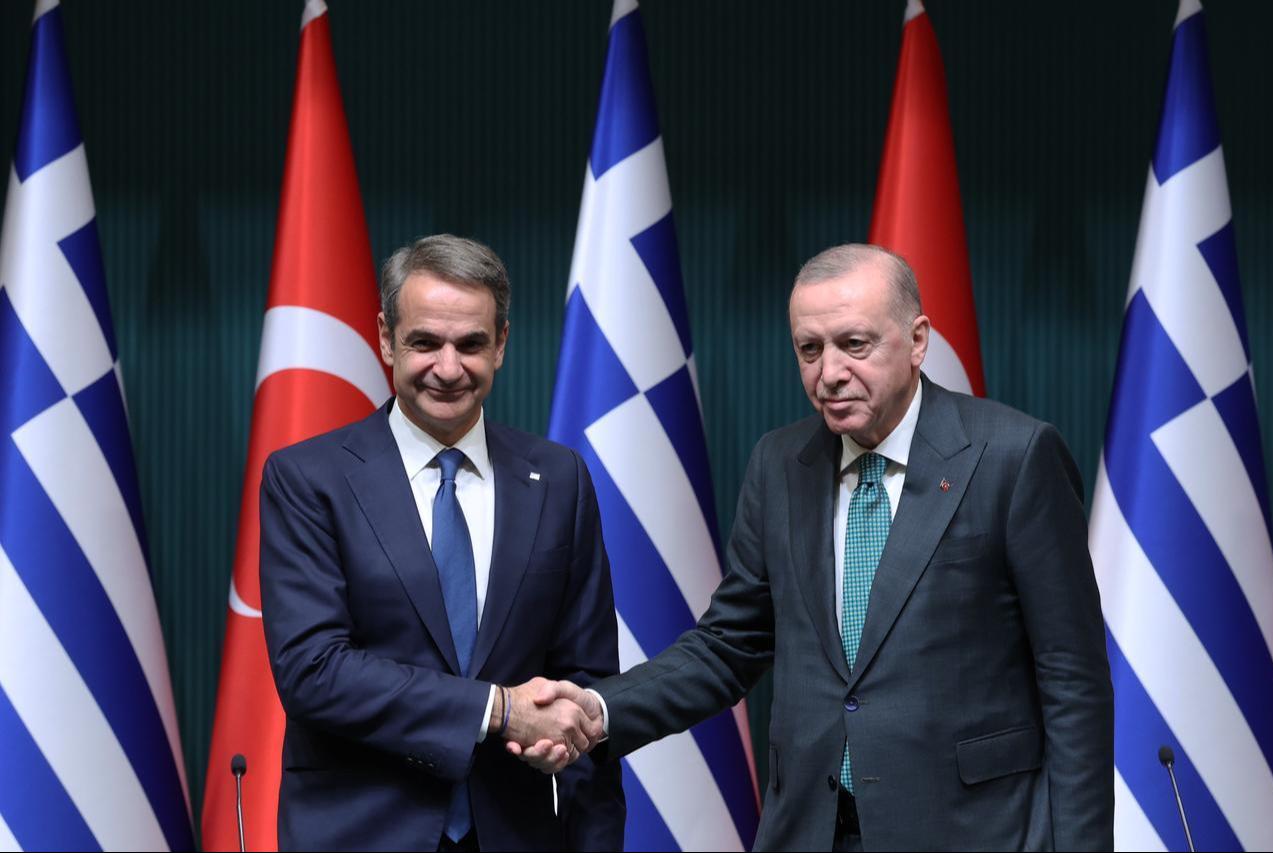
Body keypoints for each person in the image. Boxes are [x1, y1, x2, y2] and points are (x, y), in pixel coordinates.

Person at [515, 244, 1113, 851]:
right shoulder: (780, 464)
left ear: (917, 341)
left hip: (973, 832)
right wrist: (596, 708)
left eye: (855, 345)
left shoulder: (1014, 456)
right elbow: (729, 646)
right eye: (810, 349)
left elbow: (1073, 680)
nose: (829, 373)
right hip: (811, 830)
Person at [260, 234, 624, 852]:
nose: (448, 368)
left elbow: (588, 686)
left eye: (471, 344)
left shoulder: (558, 478)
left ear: (502, 343)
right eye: (424, 341)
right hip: (360, 834)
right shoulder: (308, 477)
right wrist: (497, 708)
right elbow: (314, 670)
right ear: (384, 338)